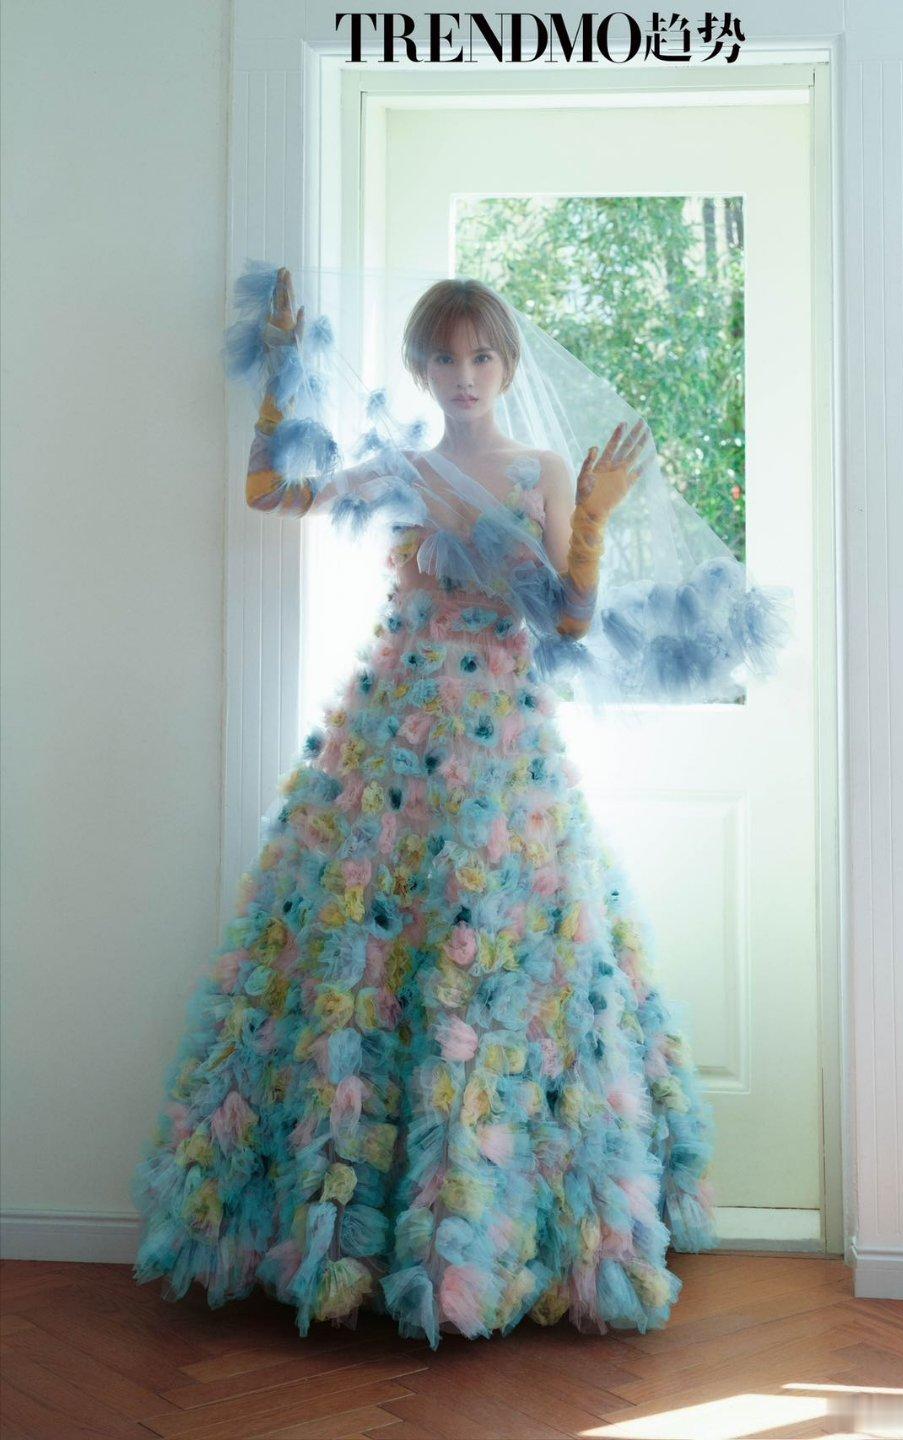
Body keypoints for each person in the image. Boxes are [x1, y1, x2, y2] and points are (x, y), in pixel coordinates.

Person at [130, 267, 726, 1350]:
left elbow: (572, 620)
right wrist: (278, 373)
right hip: (391, 740)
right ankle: (352, 1234)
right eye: (444, 357)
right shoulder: (401, 467)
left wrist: (590, 518)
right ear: (419, 367)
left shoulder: (544, 469)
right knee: (370, 945)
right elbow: (271, 493)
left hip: (500, 744)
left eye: (481, 356)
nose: (464, 375)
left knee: (500, 954)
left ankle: (499, 1233)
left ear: (507, 364)